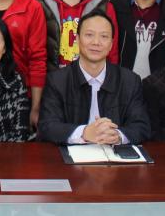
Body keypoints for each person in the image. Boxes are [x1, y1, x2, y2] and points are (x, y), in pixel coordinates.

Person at [38, 11, 151, 145]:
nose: (96, 42)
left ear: (111, 44)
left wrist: (117, 135)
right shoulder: (57, 81)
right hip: (71, 155)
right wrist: (84, 132)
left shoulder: (129, 81)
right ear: (77, 39)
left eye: (104, 36)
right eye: (89, 35)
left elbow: (141, 126)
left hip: (114, 154)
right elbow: (47, 127)